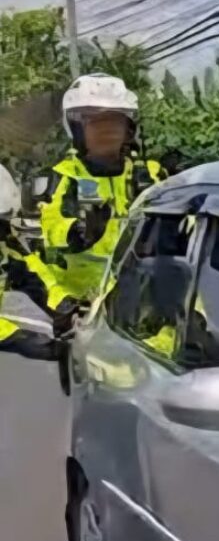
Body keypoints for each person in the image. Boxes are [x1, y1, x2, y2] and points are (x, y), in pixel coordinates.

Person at [39, 73, 165, 335]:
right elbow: (50, 232)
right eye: (96, 123)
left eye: (114, 123)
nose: (106, 131)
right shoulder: (64, 177)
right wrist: (80, 232)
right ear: (76, 129)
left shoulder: (150, 174)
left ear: (128, 129)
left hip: (141, 300)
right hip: (81, 308)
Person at [0, 163, 72, 361]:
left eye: (3, 222)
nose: (4, 232)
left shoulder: (5, 246)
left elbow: (32, 278)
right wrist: (21, 339)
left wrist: (63, 308)